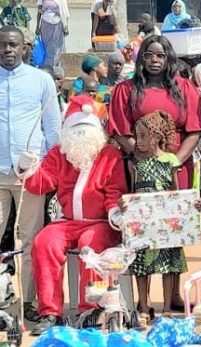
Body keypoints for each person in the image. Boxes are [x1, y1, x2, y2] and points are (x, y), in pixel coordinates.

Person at [108, 35, 201, 312]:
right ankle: (143, 301)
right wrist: (142, 155)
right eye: (149, 55)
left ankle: (172, 295)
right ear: (141, 58)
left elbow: (195, 129)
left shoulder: (184, 88)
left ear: (169, 59)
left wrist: (174, 160)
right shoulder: (126, 90)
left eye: (160, 56)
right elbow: (120, 129)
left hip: (175, 166)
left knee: (173, 232)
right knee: (144, 232)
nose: (154, 61)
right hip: (139, 170)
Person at [18, 95, 124, 335]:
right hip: (67, 222)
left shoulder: (110, 155)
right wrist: (27, 168)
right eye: (76, 130)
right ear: (67, 130)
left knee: (90, 245)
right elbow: (41, 184)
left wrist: (115, 212)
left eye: (86, 130)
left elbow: (114, 190)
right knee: (44, 241)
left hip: (98, 223)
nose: (81, 136)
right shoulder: (59, 153)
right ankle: (50, 312)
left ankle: (90, 309)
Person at [0, 25, 60, 325]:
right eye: (2, 45)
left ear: (25, 48)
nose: (8, 50)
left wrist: (48, 169)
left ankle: (27, 303)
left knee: (29, 240)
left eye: (14, 45)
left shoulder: (41, 80)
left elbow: (54, 131)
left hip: (30, 175)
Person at [126, 111, 187, 323]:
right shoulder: (134, 163)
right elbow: (132, 192)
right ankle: (144, 305)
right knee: (142, 265)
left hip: (165, 221)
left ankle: (167, 307)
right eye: (137, 136)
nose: (139, 141)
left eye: (144, 136)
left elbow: (176, 192)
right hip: (142, 222)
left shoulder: (170, 161)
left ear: (158, 136)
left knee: (167, 264)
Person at [35, 0, 68, 69]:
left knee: (55, 47)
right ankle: (46, 67)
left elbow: (65, 13)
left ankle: (54, 67)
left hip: (57, 24)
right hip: (45, 24)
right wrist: (37, 26)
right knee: (46, 46)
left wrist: (66, 27)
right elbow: (39, 12)